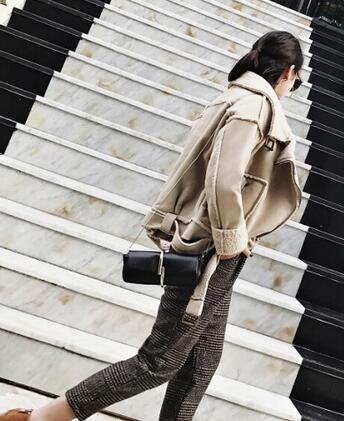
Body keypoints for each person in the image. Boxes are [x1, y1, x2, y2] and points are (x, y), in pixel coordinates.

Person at [1, 30, 304, 421]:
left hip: (214, 248)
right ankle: (38, 418)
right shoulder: (254, 107)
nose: (292, 88)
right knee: (158, 361)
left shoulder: (236, 97)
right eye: (296, 81)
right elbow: (223, 180)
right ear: (288, 72)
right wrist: (233, 238)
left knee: (200, 363)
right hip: (210, 249)